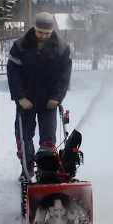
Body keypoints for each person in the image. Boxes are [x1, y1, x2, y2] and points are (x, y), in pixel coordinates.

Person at [7, 12, 72, 181]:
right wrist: (20, 97)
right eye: (40, 32)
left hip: (49, 102)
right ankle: (27, 168)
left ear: (52, 31)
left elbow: (64, 76)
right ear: (34, 28)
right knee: (24, 136)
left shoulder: (61, 49)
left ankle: (46, 171)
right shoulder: (20, 46)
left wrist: (56, 98)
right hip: (26, 100)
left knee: (48, 139)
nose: (43, 36)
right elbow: (13, 74)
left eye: (47, 33)